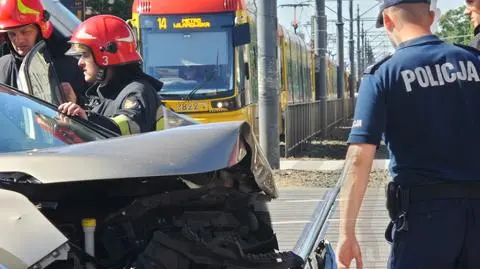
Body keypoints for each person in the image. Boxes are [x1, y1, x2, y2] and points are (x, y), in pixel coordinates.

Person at [335, 0, 480, 268]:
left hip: (425, 221)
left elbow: (359, 158)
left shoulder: (383, 74)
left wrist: (346, 232)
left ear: (388, 22)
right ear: (431, 17)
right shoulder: (474, 60)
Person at [58, 14, 163, 135]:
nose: (80, 63)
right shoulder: (107, 93)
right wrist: (77, 105)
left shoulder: (139, 91)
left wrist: (87, 121)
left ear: (106, 55)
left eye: (85, 55)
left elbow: (127, 125)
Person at [0, 0, 88, 105]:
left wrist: (76, 102)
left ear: (41, 30)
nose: (18, 40)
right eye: (12, 34)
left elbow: (88, 111)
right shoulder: (2, 66)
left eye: (25, 32)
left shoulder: (71, 66)